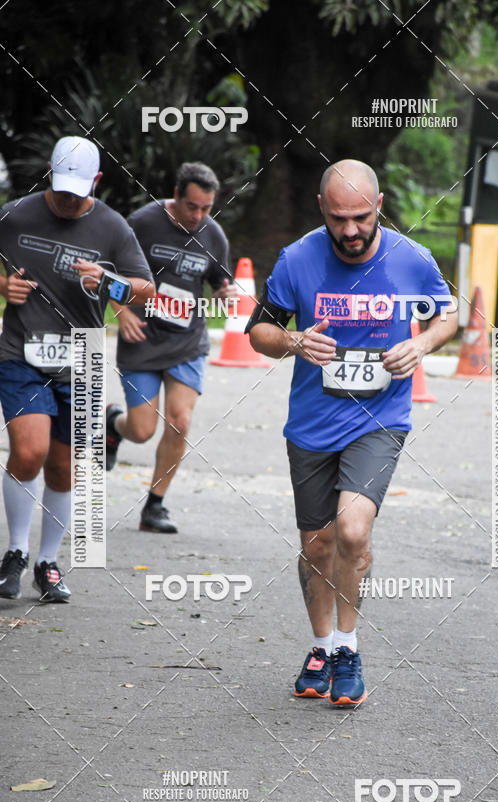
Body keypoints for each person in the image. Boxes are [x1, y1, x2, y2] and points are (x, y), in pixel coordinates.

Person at [247, 159, 457, 706]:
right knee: (317, 545)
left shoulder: (411, 260)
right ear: (323, 209)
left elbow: (448, 315)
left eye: (361, 217)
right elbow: (258, 332)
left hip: (380, 420)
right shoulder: (297, 260)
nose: (351, 230)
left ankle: (348, 647)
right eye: (339, 218)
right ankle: (320, 648)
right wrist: (294, 343)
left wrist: (422, 344)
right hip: (312, 424)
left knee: (353, 531)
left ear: (379, 205)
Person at [0, 136, 155, 602]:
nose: (69, 201)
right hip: (21, 351)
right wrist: (5, 285)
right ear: (49, 175)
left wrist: (110, 284)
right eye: (62, 189)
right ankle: (15, 552)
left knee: (64, 466)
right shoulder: (16, 214)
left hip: (82, 357)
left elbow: (145, 288)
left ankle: (48, 563)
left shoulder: (112, 227)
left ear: (97, 182)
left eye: (79, 191)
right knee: (30, 451)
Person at [105, 162, 235, 534]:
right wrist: (121, 313)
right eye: (192, 206)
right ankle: (115, 423)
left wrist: (225, 294)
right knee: (143, 430)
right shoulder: (142, 223)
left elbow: (219, 283)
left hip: (186, 340)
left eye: (206, 208)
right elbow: (107, 272)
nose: (198, 216)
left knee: (180, 421)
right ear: (176, 196)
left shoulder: (213, 234)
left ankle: (155, 505)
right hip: (142, 337)